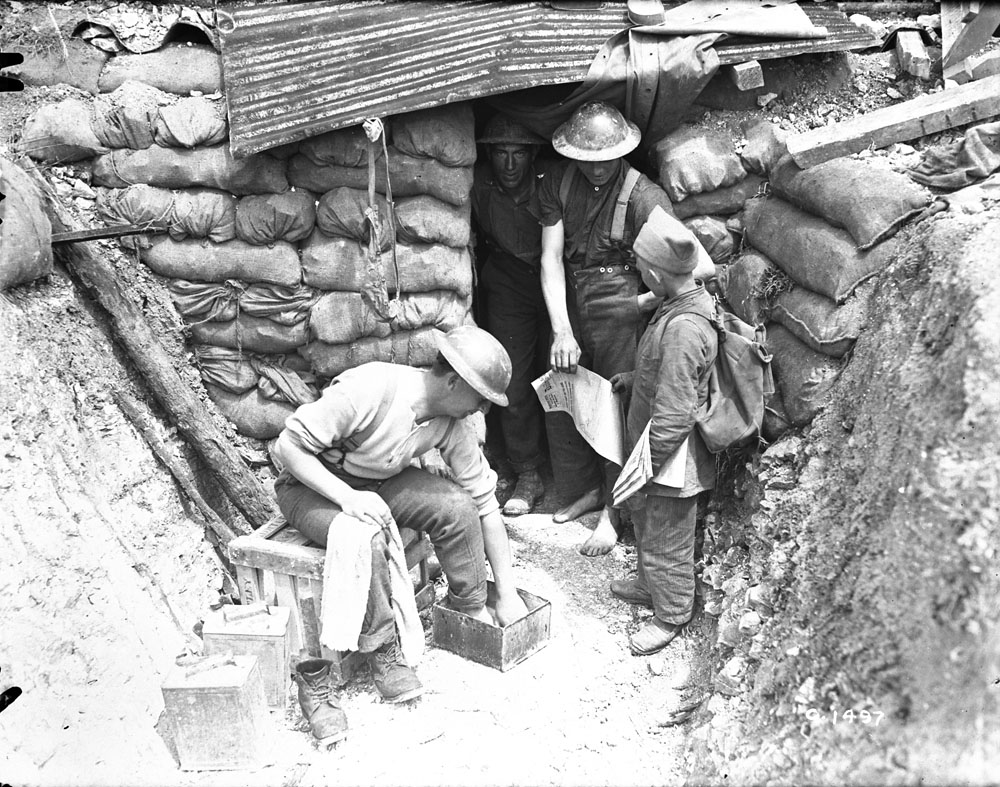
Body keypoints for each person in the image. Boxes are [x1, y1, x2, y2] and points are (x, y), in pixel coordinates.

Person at [272, 325, 529, 744]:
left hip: (376, 483)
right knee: (364, 536)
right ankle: (383, 653)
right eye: (480, 397)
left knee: (456, 506)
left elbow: (486, 506)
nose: (482, 409)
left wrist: (509, 592)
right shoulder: (371, 388)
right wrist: (346, 498)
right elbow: (289, 447)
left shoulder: (451, 422)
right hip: (311, 486)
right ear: (452, 381)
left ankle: (469, 610)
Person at [538, 100, 714, 556]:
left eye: (606, 160)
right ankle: (584, 488)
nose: (597, 169)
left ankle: (613, 513)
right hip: (572, 298)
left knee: (617, 407)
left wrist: (636, 303)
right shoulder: (558, 182)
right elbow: (551, 258)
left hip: (624, 306)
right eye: (587, 160)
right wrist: (561, 329)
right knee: (565, 392)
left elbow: (698, 267)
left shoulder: (644, 196)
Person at [608, 206, 719, 656]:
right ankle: (648, 583)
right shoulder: (677, 305)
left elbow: (675, 411)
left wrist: (648, 463)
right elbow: (671, 374)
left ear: (656, 273)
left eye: (640, 268)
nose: (638, 275)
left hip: (671, 454)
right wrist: (635, 380)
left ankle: (671, 613)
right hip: (656, 446)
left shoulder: (685, 327)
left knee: (667, 533)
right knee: (647, 522)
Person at [471, 114, 553, 516]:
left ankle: (578, 475)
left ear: (533, 155)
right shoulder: (479, 185)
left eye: (518, 154)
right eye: (500, 153)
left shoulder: (550, 183)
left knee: (564, 373)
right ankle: (528, 471)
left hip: (555, 277)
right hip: (505, 282)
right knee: (514, 382)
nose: (508, 165)